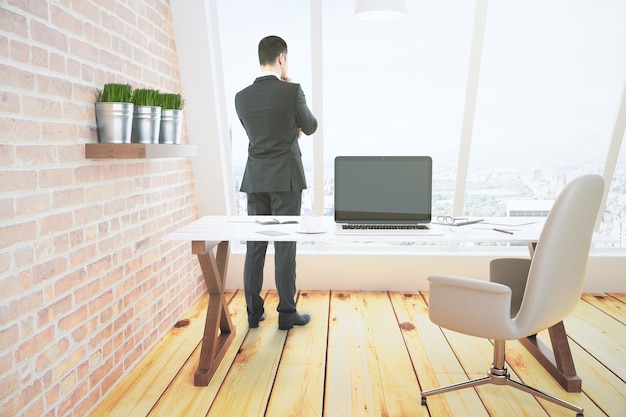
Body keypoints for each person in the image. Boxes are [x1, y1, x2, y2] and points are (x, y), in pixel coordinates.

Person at [235, 35, 318, 330]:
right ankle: (286, 313)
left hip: (256, 179)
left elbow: (256, 134)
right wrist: (296, 98)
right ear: (282, 58)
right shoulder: (291, 91)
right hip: (286, 178)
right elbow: (310, 127)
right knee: (285, 246)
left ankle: (253, 312)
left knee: (255, 246)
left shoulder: (241, 97)